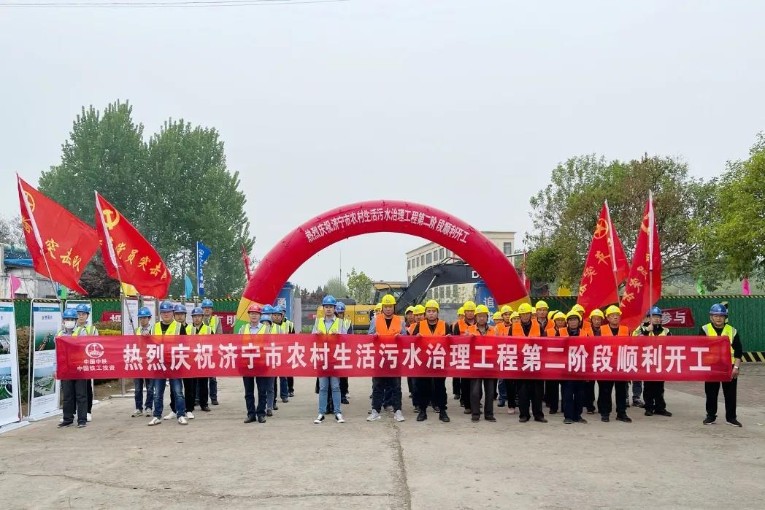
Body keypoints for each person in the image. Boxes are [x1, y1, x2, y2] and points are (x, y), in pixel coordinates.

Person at [367, 294, 407, 423]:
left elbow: (406, 338)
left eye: (390, 306)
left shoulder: (400, 321)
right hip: (379, 357)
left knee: (396, 386)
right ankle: (375, 410)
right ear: (382, 307)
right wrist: (374, 335)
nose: (388, 309)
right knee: (377, 386)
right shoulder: (375, 320)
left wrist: (401, 337)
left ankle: (398, 410)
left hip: (394, 358)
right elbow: (369, 336)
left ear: (394, 307)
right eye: (386, 306)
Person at [702, 304, 743, 427]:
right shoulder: (704, 329)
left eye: (721, 316)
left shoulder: (732, 330)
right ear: (711, 317)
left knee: (730, 394)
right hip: (711, 366)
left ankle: (731, 418)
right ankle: (710, 416)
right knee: (711, 393)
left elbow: (738, 351)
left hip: (728, 367)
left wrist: (736, 367)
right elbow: (699, 348)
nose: (718, 318)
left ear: (725, 317)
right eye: (715, 316)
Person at [410, 299, 451, 423]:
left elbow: (452, 343)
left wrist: (450, 338)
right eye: (429, 311)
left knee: (440, 387)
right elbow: (411, 342)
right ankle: (422, 411)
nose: (431, 313)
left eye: (433, 311)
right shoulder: (420, 325)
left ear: (437, 313)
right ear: (425, 313)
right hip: (424, 361)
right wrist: (416, 338)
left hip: (439, 361)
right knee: (423, 387)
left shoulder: (445, 325)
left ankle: (442, 411)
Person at [149, 301, 188, 426]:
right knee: (158, 393)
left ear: (173, 313)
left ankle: (181, 415)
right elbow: (149, 345)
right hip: (159, 364)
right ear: (160, 314)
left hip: (175, 364)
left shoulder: (179, 327)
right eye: (163, 312)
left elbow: (185, 344)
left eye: (168, 312)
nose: (166, 314)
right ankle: (157, 416)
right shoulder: (154, 327)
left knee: (178, 392)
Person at [312, 295, 346, 424]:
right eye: (326, 307)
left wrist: (339, 335)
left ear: (334, 308)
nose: (328, 309)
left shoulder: (340, 322)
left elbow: (347, 339)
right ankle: (321, 412)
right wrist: (316, 335)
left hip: (335, 358)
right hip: (322, 358)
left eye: (331, 307)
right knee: (323, 387)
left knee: (336, 386)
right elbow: (311, 338)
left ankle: (338, 412)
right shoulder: (318, 322)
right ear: (323, 308)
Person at [512, 303, 547, 423]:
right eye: (523, 314)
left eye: (527, 314)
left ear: (531, 315)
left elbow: (545, 344)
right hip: (521, 364)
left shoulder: (539, 327)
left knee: (537, 392)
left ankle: (538, 415)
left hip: (535, 363)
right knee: (522, 392)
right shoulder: (513, 327)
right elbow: (509, 344)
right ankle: (524, 415)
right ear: (520, 315)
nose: (525, 316)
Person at [239, 303, 272, 424]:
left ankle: (261, 414)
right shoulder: (242, 329)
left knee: (262, 390)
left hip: (260, 363)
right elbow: (238, 345)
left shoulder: (265, 329)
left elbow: (269, 345)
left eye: (256, 314)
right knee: (248, 391)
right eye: (252, 313)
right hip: (246, 363)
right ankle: (251, 414)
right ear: (248, 315)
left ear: (260, 315)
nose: (254, 316)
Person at [597, 305, 632, 423]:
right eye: (612, 315)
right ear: (607, 318)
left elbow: (631, 346)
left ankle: (621, 413)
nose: (615, 317)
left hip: (621, 364)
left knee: (621, 390)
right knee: (605, 390)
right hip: (606, 364)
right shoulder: (601, 330)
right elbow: (596, 347)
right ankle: (605, 413)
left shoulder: (626, 330)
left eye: (617, 315)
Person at [637, 307, 672, 417]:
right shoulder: (642, 329)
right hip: (647, 361)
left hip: (661, 362)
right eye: (654, 317)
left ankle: (660, 408)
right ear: (648, 318)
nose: (657, 319)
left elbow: (671, 344)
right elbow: (635, 341)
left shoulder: (666, 331)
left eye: (658, 317)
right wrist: (646, 331)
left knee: (659, 387)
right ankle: (649, 407)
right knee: (648, 386)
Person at [466, 305, 497, 422]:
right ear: (476, 317)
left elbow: (498, 345)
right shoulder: (470, 330)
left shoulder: (493, 330)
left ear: (487, 317)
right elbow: (465, 345)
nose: (482, 318)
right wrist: (469, 338)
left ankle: (489, 414)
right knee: (475, 391)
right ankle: (475, 413)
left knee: (490, 391)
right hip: (476, 364)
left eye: (484, 316)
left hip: (489, 364)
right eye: (479, 316)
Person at [57, 309, 88, 428]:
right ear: (63, 321)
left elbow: (84, 347)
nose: (69, 321)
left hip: (79, 367)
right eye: (67, 319)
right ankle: (68, 418)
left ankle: (82, 420)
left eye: (71, 319)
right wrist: (56, 368)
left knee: (81, 395)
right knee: (67, 395)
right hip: (65, 368)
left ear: (75, 321)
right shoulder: (60, 334)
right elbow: (57, 353)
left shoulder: (82, 332)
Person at [73, 303, 98, 422]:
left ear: (87, 315)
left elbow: (97, 345)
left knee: (87, 387)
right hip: (73, 362)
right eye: (79, 314)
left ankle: (87, 411)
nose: (81, 316)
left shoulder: (92, 329)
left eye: (83, 314)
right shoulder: (70, 328)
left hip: (86, 361)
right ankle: (73, 411)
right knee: (72, 388)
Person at [561, 310, 587, 424]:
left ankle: (578, 415)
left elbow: (590, 350)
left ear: (579, 321)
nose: (573, 322)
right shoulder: (560, 332)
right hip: (566, 368)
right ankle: (568, 416)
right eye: (570, 320)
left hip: (580, 368)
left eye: (575, 319)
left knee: (580, 394)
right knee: (567, 394)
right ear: (567, 322)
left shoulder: (585, 333)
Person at [453, 301, 478, 407]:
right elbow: (454, 340)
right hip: (463, 355)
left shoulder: (479, 323)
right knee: (465, 380)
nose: (470, 313)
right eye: (468, 311)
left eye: (472, 311)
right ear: (465, 312)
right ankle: (465, 401)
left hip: (476, 355)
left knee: (476, 381)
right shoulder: (458, 325)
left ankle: (476, 401)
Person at [131, 307, 155, 418]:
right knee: (138, 388)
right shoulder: (136, 330)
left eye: (145, 318)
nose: (142, 320)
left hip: (150, 361)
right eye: (141, 318)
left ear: (149, 318)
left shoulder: (154, 330)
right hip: (139, 362)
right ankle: (138, 408)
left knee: (150, 387)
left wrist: (150, 338)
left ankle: (148, 407)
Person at [581, 309, 605, 414]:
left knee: (603, 386)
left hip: (602, 360)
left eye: (599, 319)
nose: (597, 321)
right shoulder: (585, 331)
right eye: (595, 319)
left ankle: (602, 406)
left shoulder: (605, 330)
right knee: (589, 386)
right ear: (591, 320)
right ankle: (589, 406)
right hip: (589, 361)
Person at [544, 311, 568, 415]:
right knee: (552, 387)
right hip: (552, 363)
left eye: (562, 320)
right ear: (554, 321)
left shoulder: (568, 332)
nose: (560, 322)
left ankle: (564, 407)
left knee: (565, 388)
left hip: (565, 363)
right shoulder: (547, 332)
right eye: (558, 320)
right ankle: (553, 407)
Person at [272, 304, 296, 402]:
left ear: (283, 315)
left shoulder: (289, 324)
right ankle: (273, 397)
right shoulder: (269, 326)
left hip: (284, 353)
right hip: (273, 354)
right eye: (275, 315)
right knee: (273, 378)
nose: (277, 317)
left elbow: (293, 338)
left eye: (279, 314)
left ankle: (286, 394)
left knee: (284, 376)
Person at [189, 307, 211, 413]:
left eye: (198, 316)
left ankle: (204, 404)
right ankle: (191, 403)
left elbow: (214, 344)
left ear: (202, 317)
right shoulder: (187, 329)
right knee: (191, 384)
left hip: (203, 358)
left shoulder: (208, 329)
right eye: (194, 316)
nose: (196, 318)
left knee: (203, 383)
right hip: (191, 360)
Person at [259, 305, 280, 416]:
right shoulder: (257, 331)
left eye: (267, 322)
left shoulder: (277, 329)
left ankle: (270, 407)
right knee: (262, 387)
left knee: (271, 386)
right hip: (260, 363)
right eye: (263, 322)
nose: (265, 325)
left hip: (272, 361)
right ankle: (262, 406)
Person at [201, 298, 221, 405]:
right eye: (205, 308)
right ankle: (199, 398)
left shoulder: (217, 320)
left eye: (209, 308)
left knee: (213, 377)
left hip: (212, 351)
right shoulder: (198, 318)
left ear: (212, 310)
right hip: (200, 351)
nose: (207, 310)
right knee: (200, 377)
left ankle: (213, 397)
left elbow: (219, 335)